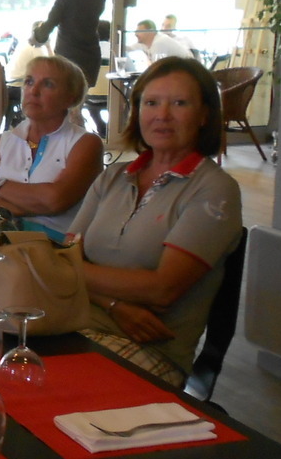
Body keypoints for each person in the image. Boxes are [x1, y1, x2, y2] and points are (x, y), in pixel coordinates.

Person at [70, 57, 243, 386]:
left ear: (205, 115)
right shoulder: (113, 176)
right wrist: (114, 303)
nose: (162, 115)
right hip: (72, 322)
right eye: (151, 103)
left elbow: (162, 290)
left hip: (150, 351)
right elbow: (63, 259)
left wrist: (71, 274)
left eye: (179, 103)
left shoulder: (215, 189)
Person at [0, 54, 103, 243]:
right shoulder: (1, 142)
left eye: (48, 84)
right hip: (4, 232)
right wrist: (19, 208)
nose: (33, 91)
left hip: (55, 244)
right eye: (29, 82)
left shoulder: (85, 143)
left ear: (69, 98)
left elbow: (54, 201)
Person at [32, 0, 107, 91]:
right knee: (81, 95)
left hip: (68, 55)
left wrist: (37, 34)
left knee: (64, 95)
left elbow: (50, 25)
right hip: (91, 56)